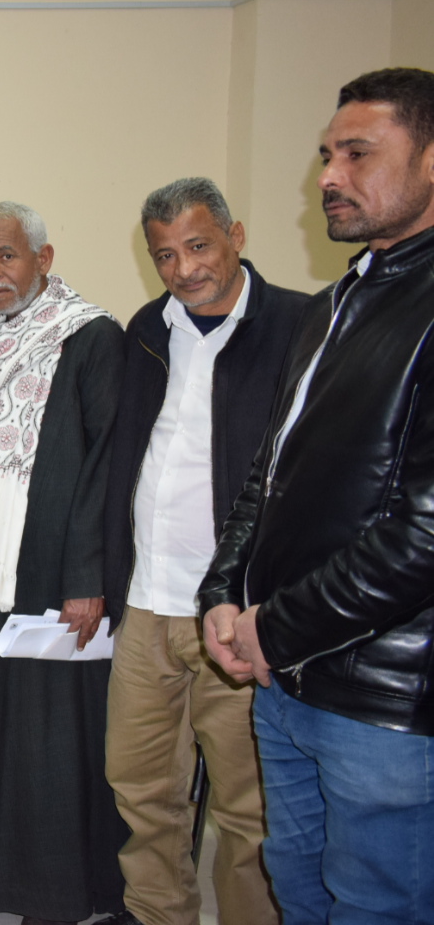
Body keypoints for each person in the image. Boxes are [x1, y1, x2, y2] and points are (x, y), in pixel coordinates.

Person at [200, 67, 434, 923]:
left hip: (384, 705)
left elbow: (424, 536)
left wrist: (276, 627)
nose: (328, 176)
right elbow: (268, 476)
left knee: (374, 907)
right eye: (327, 155)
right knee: (298, 894)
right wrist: (223, 594)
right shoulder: (335, 304)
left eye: (358, 154)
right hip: (288, 685)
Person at [101, 179, 304, 925]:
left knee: (249, 809)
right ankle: (159, 914)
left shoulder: (301, 326)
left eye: (198, 246)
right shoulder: (147, 329)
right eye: (165, 255)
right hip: (148, 604)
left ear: (235, 236)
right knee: (140, 787)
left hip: (237, 613)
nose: (184, 269)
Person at [0, 201, 128, 925]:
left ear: (43, 259)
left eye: (6, 255)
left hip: (50, 576)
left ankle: (51, 892)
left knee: (47, 737)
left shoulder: (92, 338)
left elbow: (107, 469)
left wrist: (86, 579)